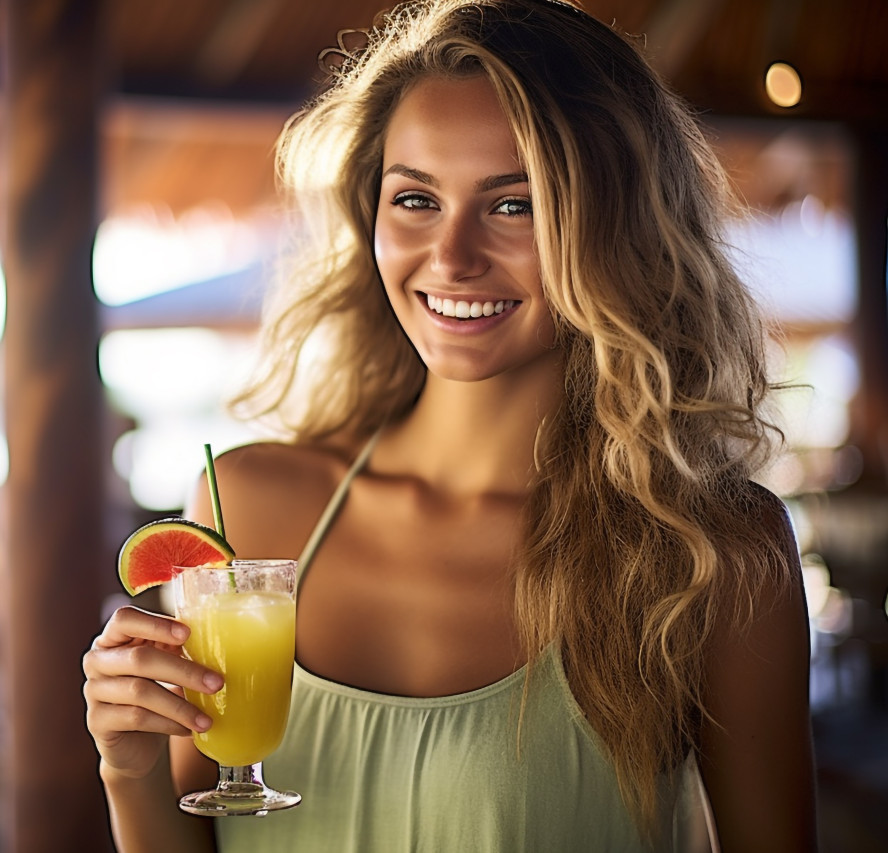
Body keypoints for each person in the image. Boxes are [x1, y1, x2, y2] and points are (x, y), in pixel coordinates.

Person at [82, 0, 817, 850]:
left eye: (515, 205)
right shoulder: (246, 503)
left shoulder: (707, 551)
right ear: (371, 217)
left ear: (619, 225)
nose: (452, 256)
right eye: (416, 199)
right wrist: (128, 768)